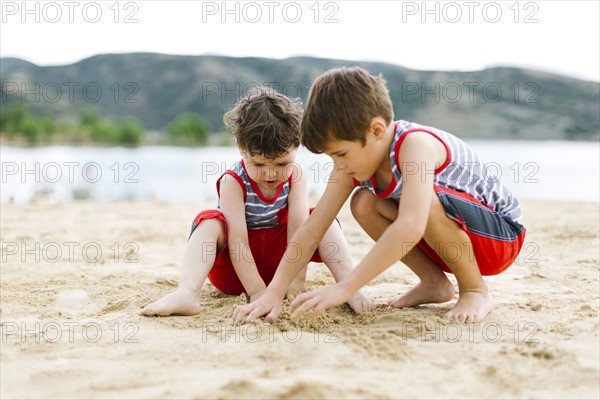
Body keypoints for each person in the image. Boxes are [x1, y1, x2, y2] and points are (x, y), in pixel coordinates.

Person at [233, 67, 526, 324]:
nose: (340, 166)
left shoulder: (415, 146)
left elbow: (411, 225)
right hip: (456, 239)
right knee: (364, 203)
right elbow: (313, 227)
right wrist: (273, 291)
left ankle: (475, 289)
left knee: (426, 205)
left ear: (375, 131)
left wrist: (345, 286)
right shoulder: (352, 163)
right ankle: (434, 283)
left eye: (341, 154)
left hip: (499, 238)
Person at [142, 87, 373, 317]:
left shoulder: (297, 175)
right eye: (259, 165)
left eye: (282, 164)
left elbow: (298, 229)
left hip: (283, 264)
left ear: (297, 146)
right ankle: (188, 293)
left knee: (321, 220)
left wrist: (295, 280)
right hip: (237, 270)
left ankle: (349, 285)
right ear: (241, 149)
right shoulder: (233, 182)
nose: (271, 174)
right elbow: (238, 240)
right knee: (209, 221)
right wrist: (256, 291)